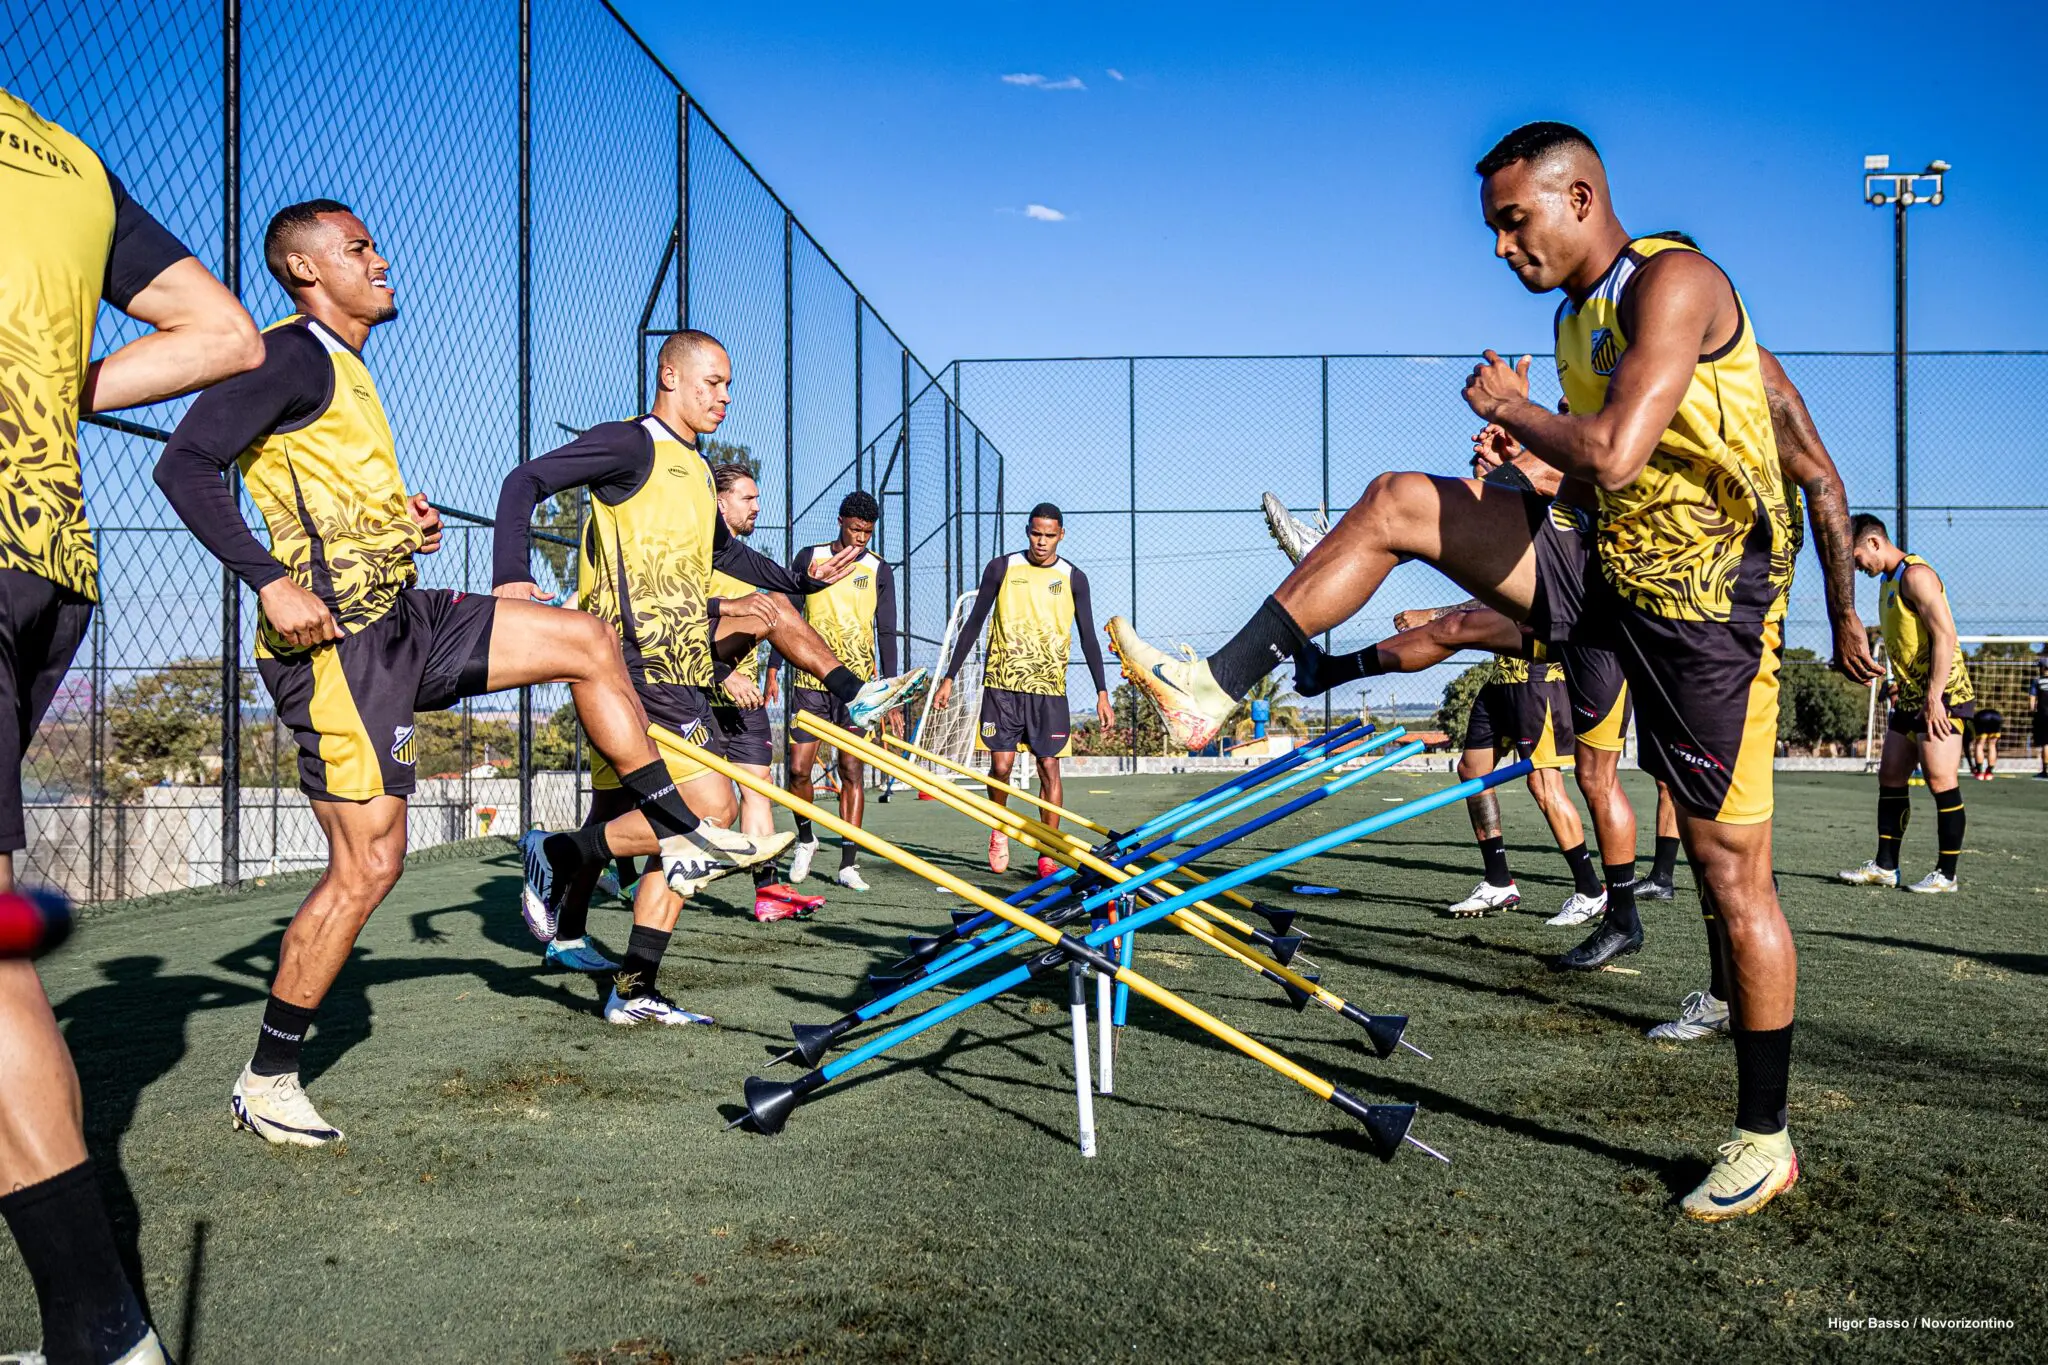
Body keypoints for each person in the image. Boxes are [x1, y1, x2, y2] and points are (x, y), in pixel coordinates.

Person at [1114, 122, 1868, 1220]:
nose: (1502, 250)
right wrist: (1527, 458)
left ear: (1579, 197)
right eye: (1492, 231)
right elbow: (1602, 481)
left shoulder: (1680, 282)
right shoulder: (1572, 319)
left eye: (1513, 223)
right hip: (1606, 572)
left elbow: (1621, 449)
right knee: (1396, 502)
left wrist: (1513, 411)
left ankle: (1762, 1138)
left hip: (1708, 621)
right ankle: (1214, 685)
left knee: (1727, 871)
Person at [156, 205, 778, 1145]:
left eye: (375, 242)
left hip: (407, 615)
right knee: (370, 863)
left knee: (582, 639)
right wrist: (272, 582)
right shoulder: (284, 355)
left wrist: (404, 522)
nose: (381, 258)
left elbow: (327, 490)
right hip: (338, 648)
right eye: (358, 249)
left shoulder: (349, 365)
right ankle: (268, 1076)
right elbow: (185, 465)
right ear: (303, 268)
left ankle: (678, 822)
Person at [1, 85, 262, 1365]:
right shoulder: (64, 151)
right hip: (43, 556)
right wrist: (52, 385)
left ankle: (101, 1337)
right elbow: (221, 335)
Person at [492, 331, 927, 1015]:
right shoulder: (633, 444)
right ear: (670, 375)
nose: (724, 397)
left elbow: (727, 551)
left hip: (679, 662)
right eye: (713, 382)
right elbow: (524, 482)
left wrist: (797, 579)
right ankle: (558, 853)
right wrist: (511, 577)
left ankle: (627, 983)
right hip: (635, 663)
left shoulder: (697, 470)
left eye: (729, 385)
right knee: (710, 812)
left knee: (654, 824)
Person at [933, 505, 1116, 879]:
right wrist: (950, 676)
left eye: (1049, 535)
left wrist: (1102, 691)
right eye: (1036, 534)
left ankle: (1049, 849)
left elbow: (1088, 637)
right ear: (1028, 531)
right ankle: (999, 830)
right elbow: (973, 624)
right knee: (1001, 767)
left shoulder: (1073, 578)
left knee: (1049, 767)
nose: (1042, 542)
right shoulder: (1002, 568)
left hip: (1048, 691)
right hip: (1001, 687)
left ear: (1061, 535)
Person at [707, 465, 825, 920]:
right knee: (710, 806)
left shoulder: (743, 559)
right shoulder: (693, 556)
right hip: (695, 697)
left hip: (744, 701)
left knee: (759, 789)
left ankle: (768, 894)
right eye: (748, 498)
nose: (758, 507)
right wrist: (722, 675)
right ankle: (596, 860)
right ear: (719, 502)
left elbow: (771, 617)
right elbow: (678, 630)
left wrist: (810, 578)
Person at [1837, 516, 1973, 893]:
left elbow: (1945, 636)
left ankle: (1947, 875)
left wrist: (1935, 698)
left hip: (1943, 695)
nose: (1856, 566)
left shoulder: (1917, 575)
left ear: (1875, 542)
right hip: (1911, 696)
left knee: (1940, 779)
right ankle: (1885, 866)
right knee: (1891, 775)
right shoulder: (1887, 581)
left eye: (1857, 556)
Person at [778, 490, 901, 894]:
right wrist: (774, 669)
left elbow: (886, 633)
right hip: (810, 682)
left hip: (858, 688)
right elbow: (786, 616)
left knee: (852, 770)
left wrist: (890, 691)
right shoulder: (809, 557)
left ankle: (848, 864)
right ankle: (806, 837)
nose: (861, 538)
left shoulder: (879, 569)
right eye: (855, 529)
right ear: (840, 522)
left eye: (868, 532)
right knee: (798, 769)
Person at [1965, 708, 2001, 781]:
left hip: (1982, 718)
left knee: (1979, 744)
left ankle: (1980, 773)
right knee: (1992, 745)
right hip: (1997, 716)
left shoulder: (1968, 724)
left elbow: (1966, 746)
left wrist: (1971, 765)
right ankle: (1989, 773)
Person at [2032, 653, 2048, 779]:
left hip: (2043, 716)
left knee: (2045, 744)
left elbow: (2032, 701)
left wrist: (2033, 711)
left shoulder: (2037, 681)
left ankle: (2045, 771)